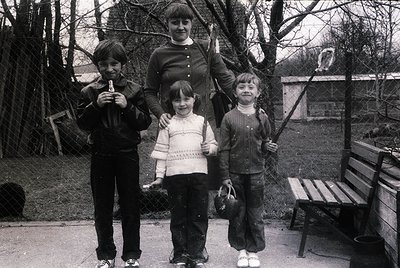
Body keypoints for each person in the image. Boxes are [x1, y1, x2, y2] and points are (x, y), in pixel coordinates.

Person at [76, 39, 152, 268]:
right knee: (102, 206)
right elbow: (82, 123)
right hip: (101, 155)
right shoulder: (89, 91)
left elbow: (144, 122)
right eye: (104, 64)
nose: (109, 69)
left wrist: (127, 106)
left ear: (122, 65)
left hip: (127, 154)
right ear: (97, 66)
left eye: (114, 64)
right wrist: (96, 105)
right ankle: (105, 255)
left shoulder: (134, 89)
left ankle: (131, 255)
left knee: (130, 204)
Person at [148, 80, 217, 268]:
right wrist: (160, 177)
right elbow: (162, 154)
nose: (182, 104)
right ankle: (180, 254)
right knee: (178, 217)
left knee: (198, 216)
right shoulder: (167, 124)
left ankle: (196, 254)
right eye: (177, 100)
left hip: (199, 176)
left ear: (194, 100)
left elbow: (214, 146)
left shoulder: (202, 123)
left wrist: (208, 148)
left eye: (186, 99)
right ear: (171, 102)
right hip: (175, 177)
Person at [144, 1, 235, 130]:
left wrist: (248, 105)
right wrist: (161, 114)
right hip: (172, 123)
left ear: (191, 24)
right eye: (175, 22)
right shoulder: (159, 54)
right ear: (167, 24)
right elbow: (149, 91)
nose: (181, 27)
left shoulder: (206, 48)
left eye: (185, 22)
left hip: (204, 123)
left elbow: (225, 79)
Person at [218, 73, 278, 268]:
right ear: (235, 92)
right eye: (242, 86)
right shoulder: (228, 118)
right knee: (238, 212)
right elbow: (224, 148)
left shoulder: (262, 117)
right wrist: (225, 175)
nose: (246, 89)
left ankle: (253, 250)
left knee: (254, 213)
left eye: (251, 87)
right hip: (234, 174)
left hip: (256, 173)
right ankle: (241, 250)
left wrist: (268, 147)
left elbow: (264, 144)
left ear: (258, 92)